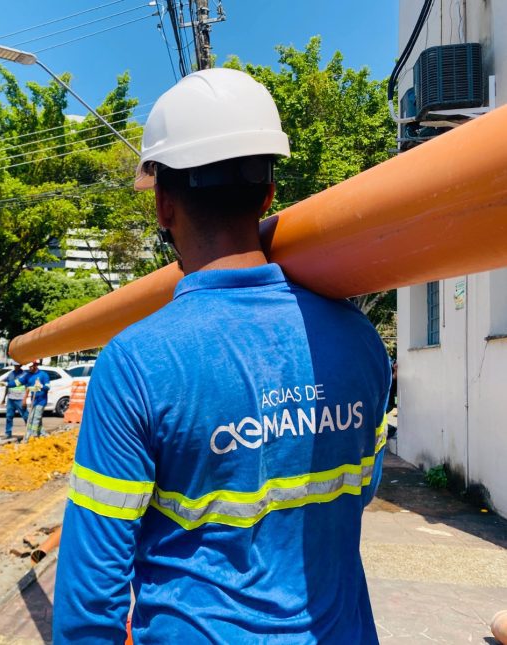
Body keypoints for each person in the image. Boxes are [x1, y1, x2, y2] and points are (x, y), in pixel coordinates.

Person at [53, 68, 392, 644]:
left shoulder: (136, 363)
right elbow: (360, 491)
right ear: (267, 194)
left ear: (163, 206)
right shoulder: (362, 342)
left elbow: (92, 594)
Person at [22, 360, 50, 442]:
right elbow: (24, 385)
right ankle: (43, 434)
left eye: (31, 366)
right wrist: (8, 384)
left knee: (35, 419)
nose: (29, 368)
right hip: (34, 401)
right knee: (31, 419)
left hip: (41, 401)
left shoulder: (43, 375)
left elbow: (48, 387)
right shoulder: (29, 375)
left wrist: (41, 386)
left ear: (35, 365)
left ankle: (32, 436)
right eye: (29, 366)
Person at [2, 360, 28, 440]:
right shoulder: (11, 374)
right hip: (11, 399)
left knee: (26, 416)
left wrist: (25, 399)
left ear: (20, 365)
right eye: (14, 365)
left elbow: (27, 388)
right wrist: (4, 398)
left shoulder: (24, 375)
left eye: (17, 365)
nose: (15, 367)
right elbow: (7, 386)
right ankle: (8, 433)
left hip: (20, 399)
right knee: (9, 416)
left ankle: (30, 432)